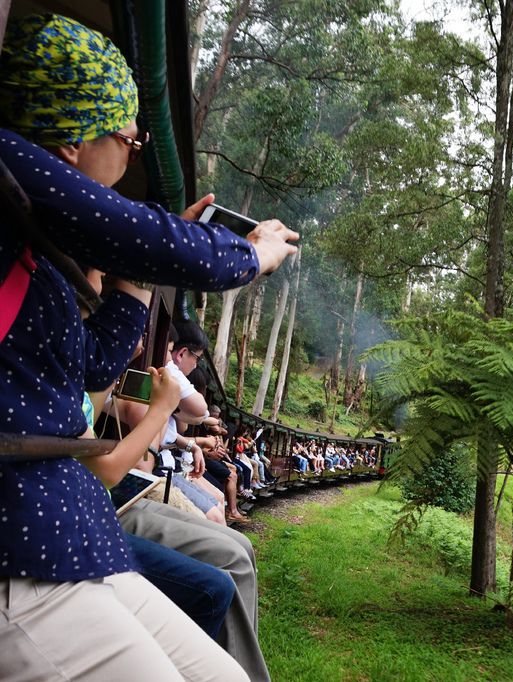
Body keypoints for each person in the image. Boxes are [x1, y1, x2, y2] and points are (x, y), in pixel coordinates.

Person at [0, 13, 295, 681]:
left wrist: (137, 277)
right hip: (20, 542)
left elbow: (96, 365)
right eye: (127, 138)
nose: (133, 154)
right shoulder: (9, 166)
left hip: (69, 534)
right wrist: (247, 255)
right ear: (72, 145)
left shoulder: (41, 252)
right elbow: (151, 234)